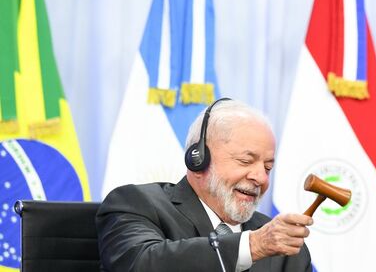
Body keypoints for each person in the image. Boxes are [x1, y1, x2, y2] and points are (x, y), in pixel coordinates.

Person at [96, 99, 313, 271]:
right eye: (245, 161)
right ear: (199, 159)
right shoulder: (136, 204)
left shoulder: (282, 244)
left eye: (267, 168)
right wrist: (252, 246)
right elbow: (141, 264)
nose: (261, 178)